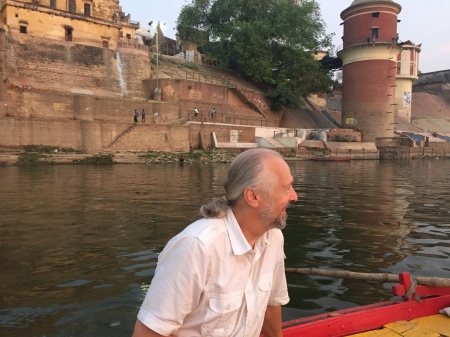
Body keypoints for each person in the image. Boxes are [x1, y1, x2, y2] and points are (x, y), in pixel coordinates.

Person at [132, 148, 298, 337]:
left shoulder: (273, 237)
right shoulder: (196, 248)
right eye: (286, 188)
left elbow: (270, 306)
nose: (294, 196)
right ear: (253, 196)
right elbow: (147, 333)